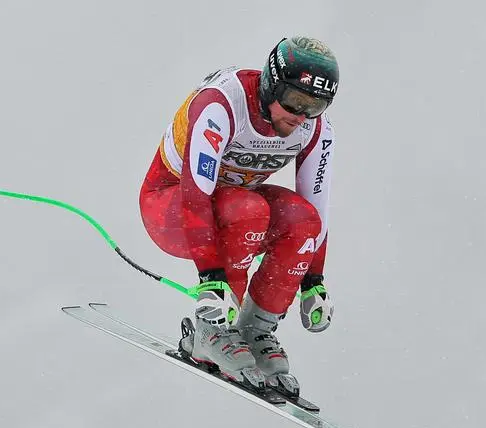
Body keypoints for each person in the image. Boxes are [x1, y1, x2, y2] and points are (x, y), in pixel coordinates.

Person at [138, 36, 339, 391]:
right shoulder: (221, 105)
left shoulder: (315, 129)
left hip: (232, 212)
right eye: (295, 102)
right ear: (272, 84)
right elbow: (196, 195)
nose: (300, 117)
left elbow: (317, 210)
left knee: (302, 220)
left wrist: (314, 282)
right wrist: (211, 280)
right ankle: (210, 332)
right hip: (172, 209)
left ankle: (254, 330)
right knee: (249, 209)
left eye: (315, 106)